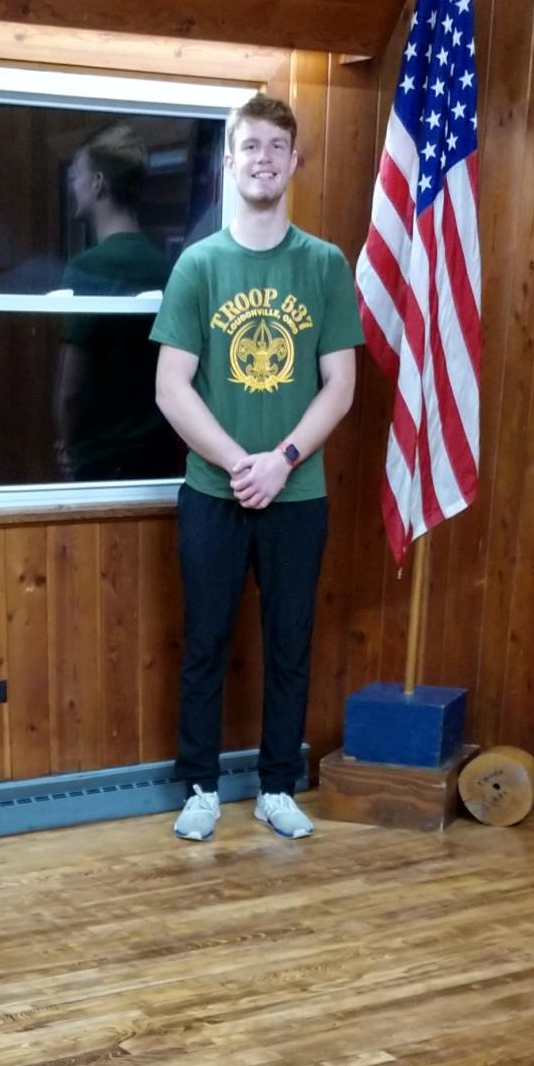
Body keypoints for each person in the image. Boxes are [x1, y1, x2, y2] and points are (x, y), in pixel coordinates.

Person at [151, 94, 361, 840]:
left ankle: (278, 786)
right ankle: (201, 787)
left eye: (279, 145)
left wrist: (284, 460)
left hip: (298, 493)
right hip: (213, 491)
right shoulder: (198, 265)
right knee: (205, 641)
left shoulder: (326, 265)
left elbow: (340, 384)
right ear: (229, 161)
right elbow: (171, 386)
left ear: (294, 161)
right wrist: (244, 463)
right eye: (252, 145)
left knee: (289, 642)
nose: (265, 157)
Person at [53, 124, 172, 482]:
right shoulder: (167, 268)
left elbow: (71, 386)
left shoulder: (88, 269)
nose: (72, 185)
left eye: (77, 175)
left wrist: (66, 442)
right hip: (158, 457)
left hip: (100, 461)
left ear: (98, 183)